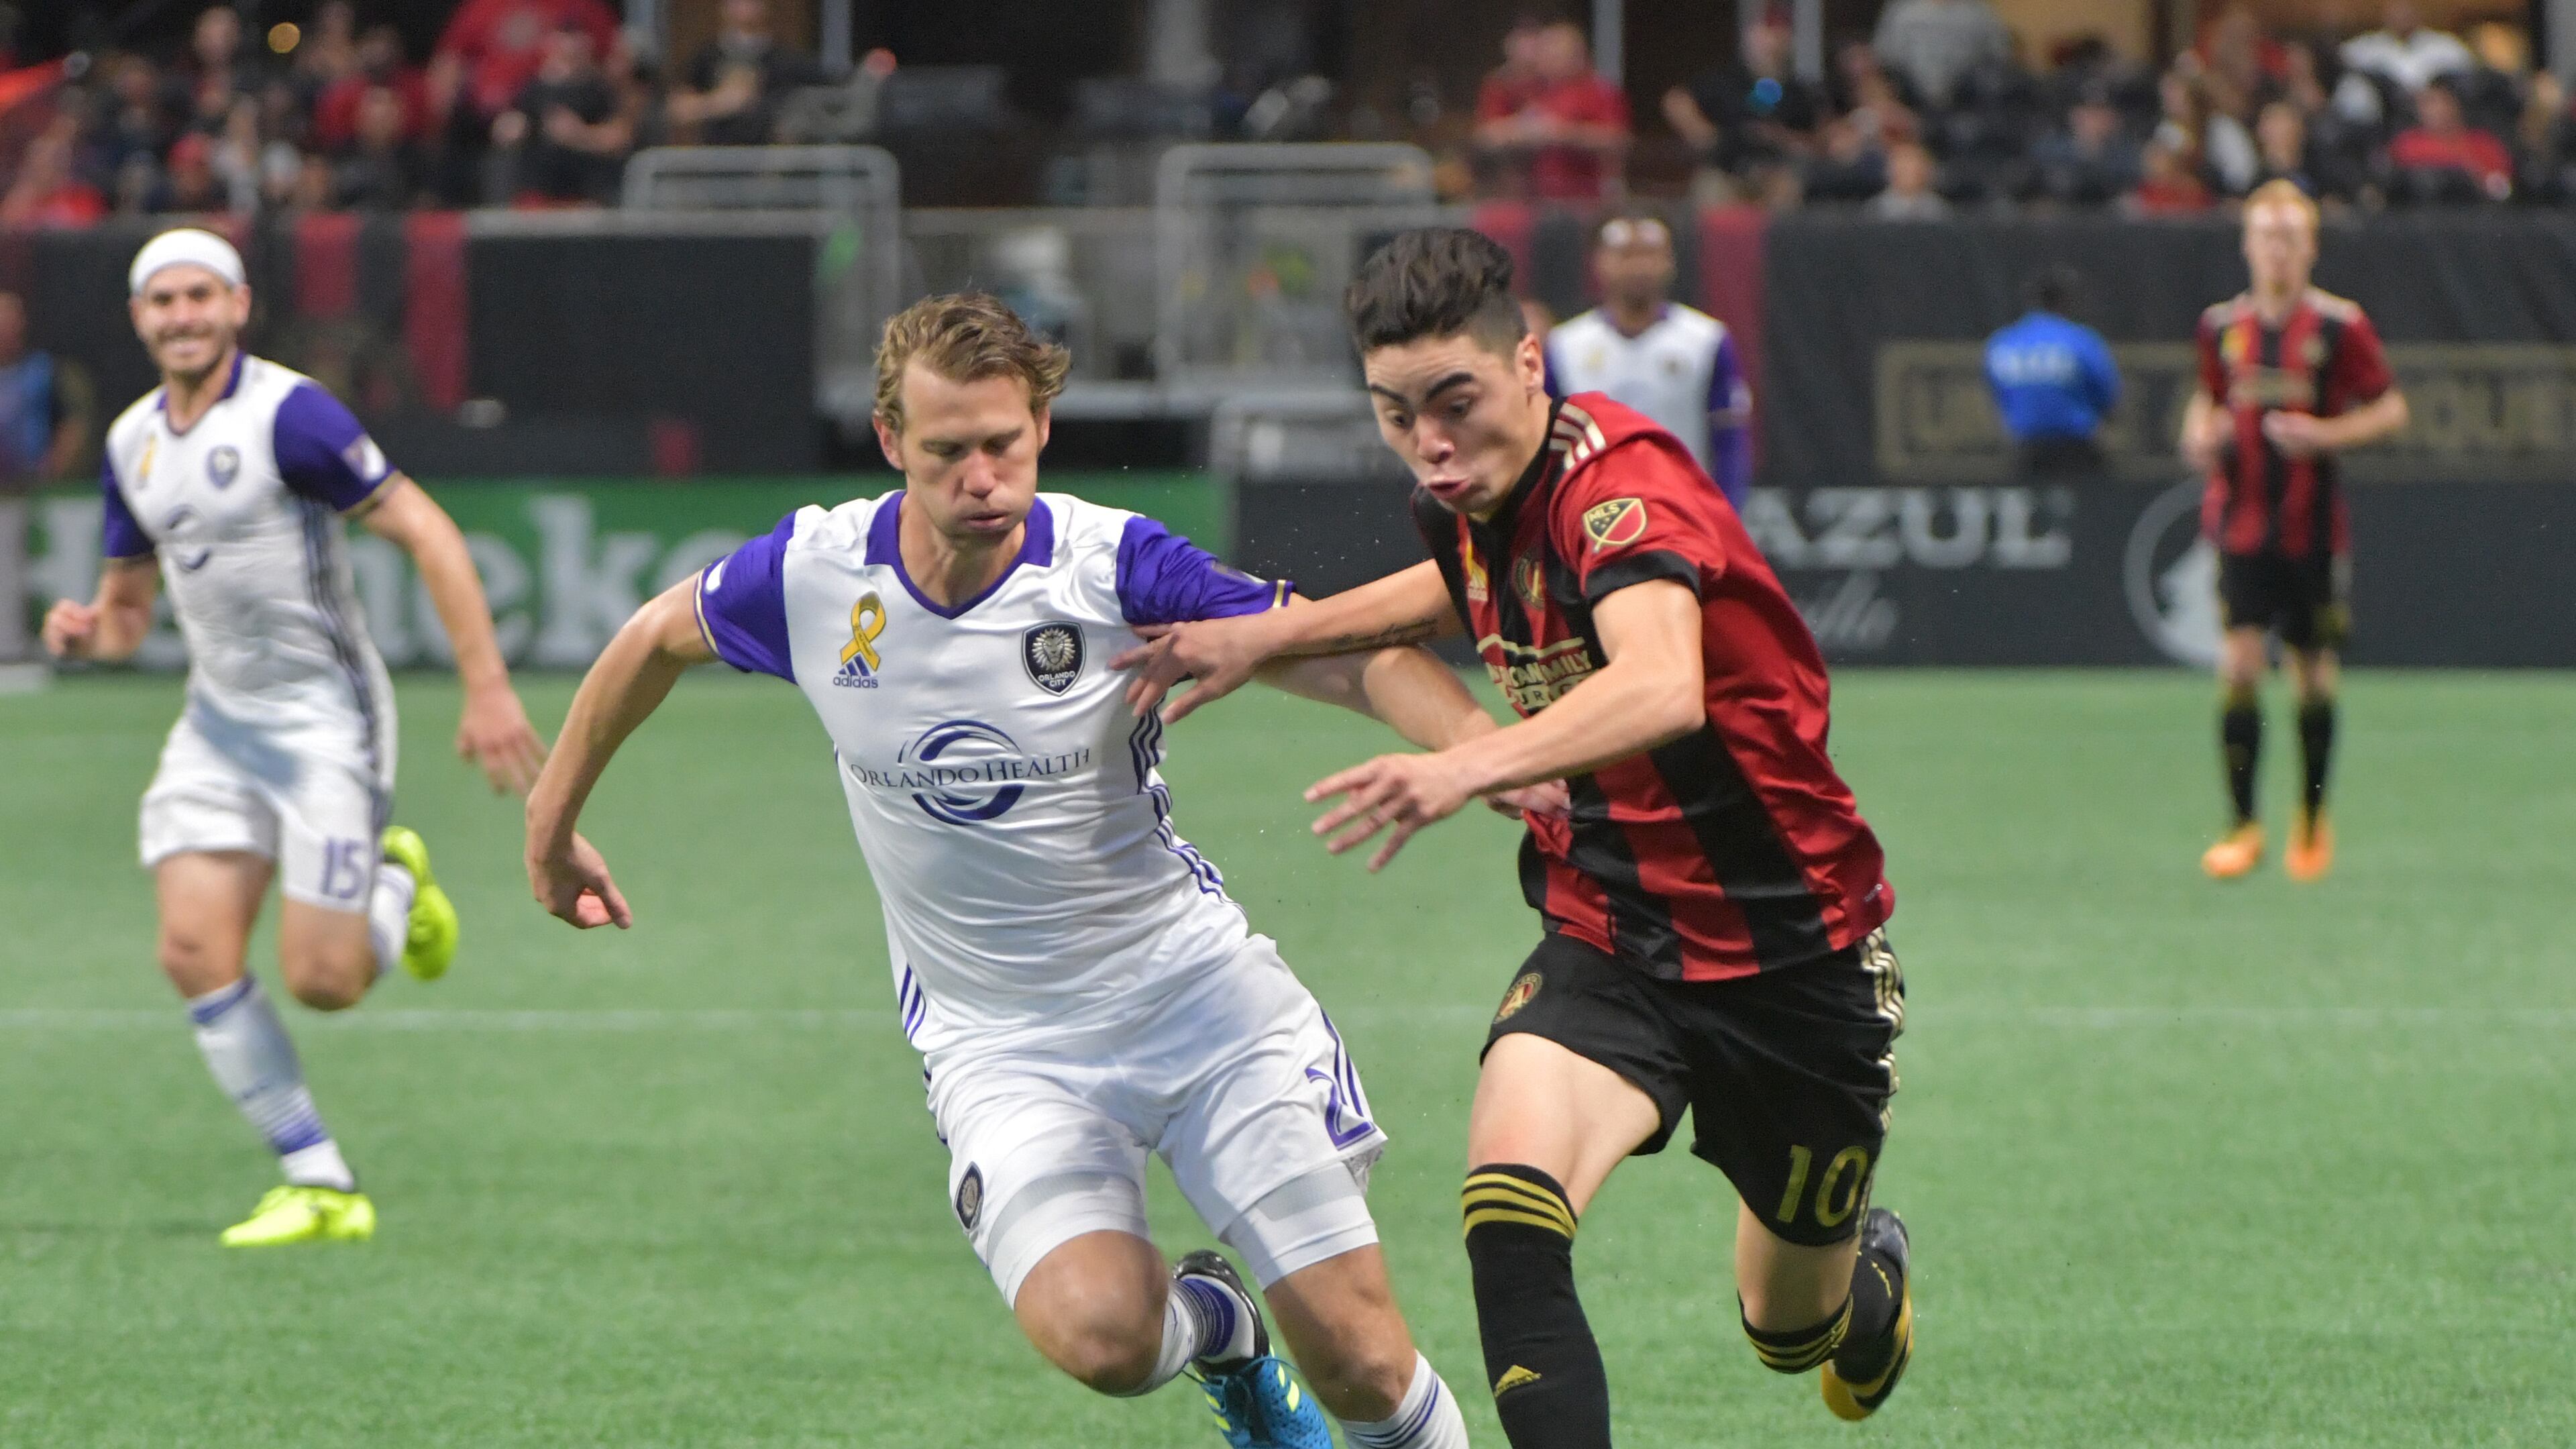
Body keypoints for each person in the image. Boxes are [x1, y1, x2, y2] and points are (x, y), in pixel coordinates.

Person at [523, 293, 1486, 1449]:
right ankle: (1218, 1332)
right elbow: (651, 639)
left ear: (1040, 424)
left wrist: (1490, 757)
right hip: (1002, 1044)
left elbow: (1343, 652)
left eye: (1005, 444)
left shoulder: (1113, 562)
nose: (983, 476)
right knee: (1105, 1342)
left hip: (1198, 1004)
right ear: (891, 443)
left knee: (1363, 1364)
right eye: (947, 453)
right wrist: (551, 821)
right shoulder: (820, 574)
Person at [1120, 228, 1914, 1446]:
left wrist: (1465, 761)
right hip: (1611, 923)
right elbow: (1453, 582)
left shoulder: (1621, 487)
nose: (1431, 445)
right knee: (1509, 1211)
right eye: (1395, 415)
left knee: (1787, 1331)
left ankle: (1866, 1290)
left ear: (1530, 366)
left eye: (1456, 403)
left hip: (1793, 952)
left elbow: (1662, 687)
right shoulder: (1477, 491)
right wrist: (1274, 634)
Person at [38, 229, 547, 1246]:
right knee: (191, 948)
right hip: (217, 723)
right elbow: (132, 607)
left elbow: (428, 530)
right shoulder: (132, 439)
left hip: (325, 723)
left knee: (323, 981)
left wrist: (486, 688)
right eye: (162, 301)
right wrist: (96, 630)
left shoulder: (291, 416)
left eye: (200, 296)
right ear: (139, 320)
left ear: (237, 306)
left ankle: (394, 887)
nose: (182, 316)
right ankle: (319, 1180)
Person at [2180, 182, 2408, 882]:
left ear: (2309, 246)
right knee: (2241, 663)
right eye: (2266, 235)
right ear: (2248, 245)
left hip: (2311, 531)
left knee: (2312, 670)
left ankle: (2311, 817)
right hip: (2242, 526)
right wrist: (2200, 435)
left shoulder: (2340, 327)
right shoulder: (2222, 326)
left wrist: (2326, 434)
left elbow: (2391, 409)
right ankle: (2243, 823)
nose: (2277, 248)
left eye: (2290, 236)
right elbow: (2207, 402)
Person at [1543, 213, 1752, 508]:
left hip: (1683, 510)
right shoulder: (1565, 346)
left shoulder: (1706, 340)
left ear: (1670, 262)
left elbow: (1729, 439)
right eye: (1625, 255)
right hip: (1594, 513)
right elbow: (1547, 446)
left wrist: (1727, 514)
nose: (1638, 267)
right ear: (1599, 262)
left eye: (1650, 254)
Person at [1662, 9, 1825, 201]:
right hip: (1728, 170)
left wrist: (1780, 137)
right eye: (1764, 33)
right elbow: (1677, 100)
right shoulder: (1726, 80)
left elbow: (1816, 138)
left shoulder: (1798, 91)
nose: (1770, 41)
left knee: (1789, 193)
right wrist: (1707, 137)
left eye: (1778, 33)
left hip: (1777, 172)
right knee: (1712, 193)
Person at [0, 290, 83, 664]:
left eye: (9, 317)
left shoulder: (40, 371)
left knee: (21, 566)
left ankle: (23, 644)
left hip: (24, 488)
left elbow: (69, 422)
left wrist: (53, 466)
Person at [1473, 17, 1630, 201]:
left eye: (1556, 54)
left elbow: (1617, 139)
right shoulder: (1532, 90)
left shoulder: (1600, 91)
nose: (1546, 60)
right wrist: (1522, 131)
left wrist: (1566, 133)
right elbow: (1487, 135)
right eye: (1545, 53)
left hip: (1586, 199)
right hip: (1535, 200)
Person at [1984, 267, 2118, 476]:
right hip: (2076, 450)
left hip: (2026, 450)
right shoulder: (2080, 340)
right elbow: (2106, 394)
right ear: (2065, 301)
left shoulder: (2003, 342)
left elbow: (1998, 396)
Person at [667, 0, 825, 146]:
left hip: (767, 163)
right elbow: (678, 110)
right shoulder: (705, 57)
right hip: (714, 161)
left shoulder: (789, 62)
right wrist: (720, 102)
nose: (744, 6)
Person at [2387, 76, 2513, 201]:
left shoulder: (2483, 144)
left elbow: (2500, 188)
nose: (2432, 111)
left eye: (2437, 102)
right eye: (2425, 104)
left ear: (2455, 104)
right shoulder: (2407, 144)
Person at [1870, 0, 2009, 109]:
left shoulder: (1979, 13)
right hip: (1908, 100)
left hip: (1968, 105)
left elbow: (1998, 57)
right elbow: (1883, 58)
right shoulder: (1902, 11)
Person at [1866, 140, 1949, 219]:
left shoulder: (1940, 212)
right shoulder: (1873, 211)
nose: (1904, 169)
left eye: (1910, 162)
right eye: (1899, 162)